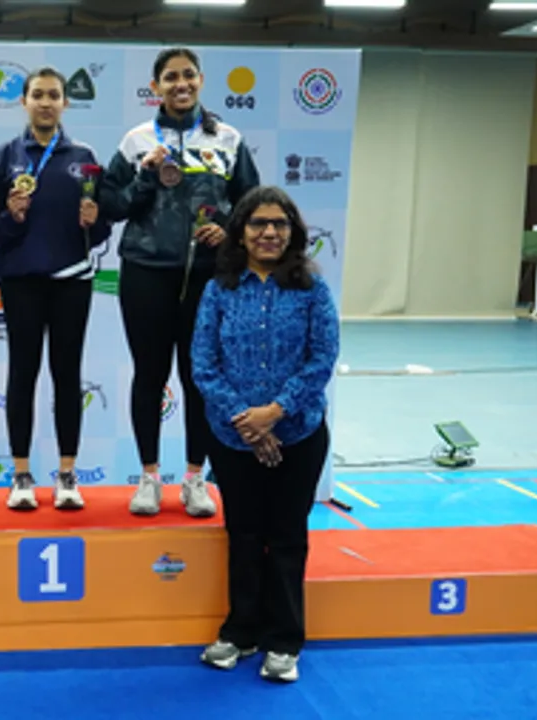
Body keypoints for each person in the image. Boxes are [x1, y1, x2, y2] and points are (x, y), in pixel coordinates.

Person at [99, 46, 261, 518]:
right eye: (170, 77)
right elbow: (112, 207)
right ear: (156, 87)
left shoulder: (228, 138)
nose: (180, 84)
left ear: (201, 81)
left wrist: (229, 227)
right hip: (146, 273)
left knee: (199, 379)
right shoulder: (136, 140)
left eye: (188, 75)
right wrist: (146, 175)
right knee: (150, 376)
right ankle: (149, 478)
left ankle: (194, 479)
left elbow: (254, 204)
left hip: (208, 276)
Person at [190, 185, 340, 683]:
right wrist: (246, 421)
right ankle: (240, 632)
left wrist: (275, 412)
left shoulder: (312, 290)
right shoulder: (219, 289)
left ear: (293, 232)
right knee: (245, 536)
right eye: (258, 223)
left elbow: (322, 359)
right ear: (241, 232)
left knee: (288, 536)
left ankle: (284, 640)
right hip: (233, 439)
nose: (269, 232)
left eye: (279, 224)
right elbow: (203, 365)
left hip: (298, 435)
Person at [0, 67, 111, 511]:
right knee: (23, 373)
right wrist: (10, 218)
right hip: (22, 282)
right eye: (38, 94)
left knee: (67, 375)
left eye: (55, 95)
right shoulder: (3, 157)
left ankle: (67, 475)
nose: (47, 102)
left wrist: (97, 222)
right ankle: (20, 476)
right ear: (24, 101)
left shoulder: (85, 156)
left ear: (65, 103)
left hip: (73, 279)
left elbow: (105, 228)